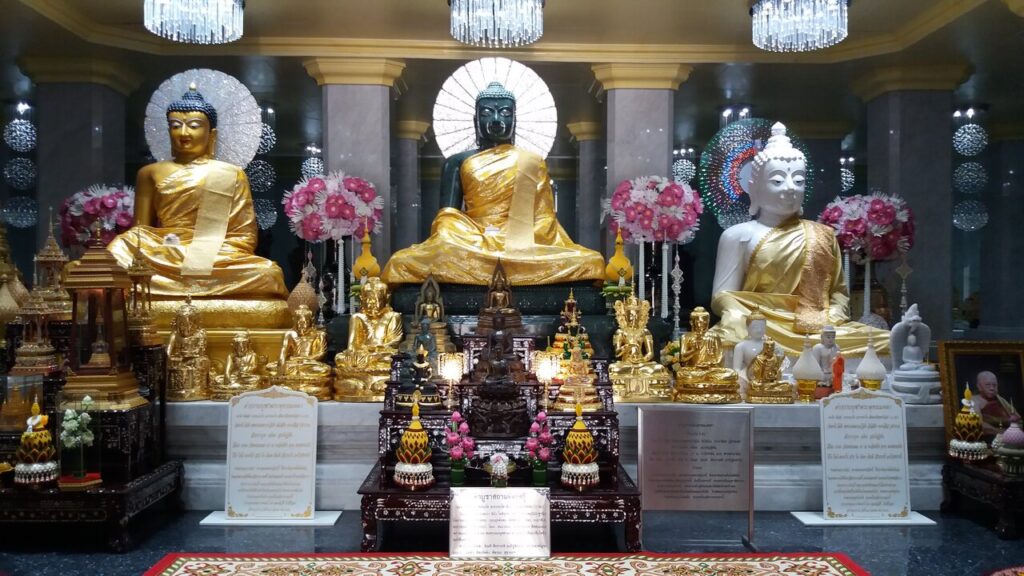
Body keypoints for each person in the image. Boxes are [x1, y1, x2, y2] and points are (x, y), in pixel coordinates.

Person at [381, 82, 604, 285]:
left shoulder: (532, 162)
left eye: (505, 113)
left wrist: (514, 236)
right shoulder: (457, 162)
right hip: (472, 238)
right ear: (475, 120)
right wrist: (475, 236)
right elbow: (447, 218)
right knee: (404, 260)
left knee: (591, 261)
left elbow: (544, 219)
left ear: (515, 119)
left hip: (522, 239)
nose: (497, 120)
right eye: (487, 113)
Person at [107, 84, 288, 326]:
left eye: (194, 126)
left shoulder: (231, 174)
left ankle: (176, 285)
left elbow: (243, 237)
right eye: (175, 125)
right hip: (164, 252)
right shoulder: (150, 173)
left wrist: (203, 251)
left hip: (216, 257)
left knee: (268, 274)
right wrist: (170, 248)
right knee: (117, 253)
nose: (184, 133)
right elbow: (140, 232)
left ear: (211, 134)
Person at [709, 122, 886, 357]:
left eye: (799, 181)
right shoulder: (738, 235)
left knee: (884, 340)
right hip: (759, 326)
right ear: (755, 189)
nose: (791, 188)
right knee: (719, 341)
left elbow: (838, 293)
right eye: (778, 180)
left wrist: (829, 318)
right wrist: (738, 315)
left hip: (814, 327)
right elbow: (722, 296)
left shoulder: (822, 235)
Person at [974, 370, 1016, 435]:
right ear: (979, 386)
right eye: (988, 385)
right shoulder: (974, 400)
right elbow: (979, 425)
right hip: (990, 439)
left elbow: (1017, 419)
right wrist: (1004, 433)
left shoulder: (1000, 399)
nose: (992, 388)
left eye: (994, 385)